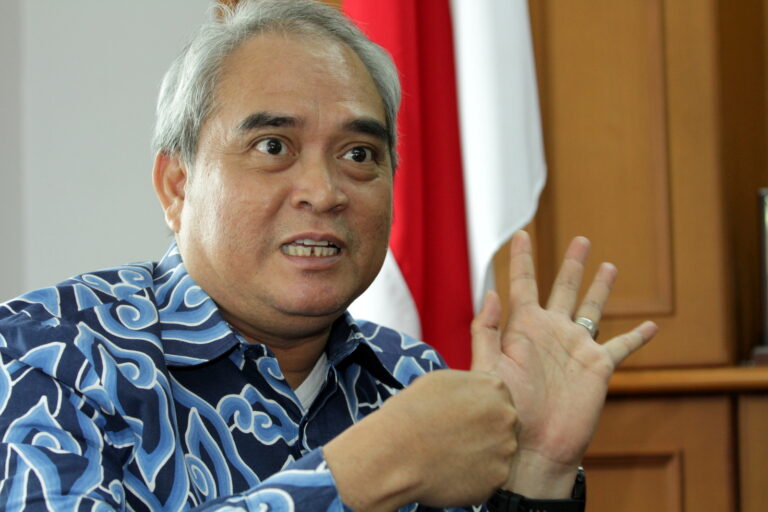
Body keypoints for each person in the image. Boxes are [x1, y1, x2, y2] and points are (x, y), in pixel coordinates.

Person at [0, 1, 657, 511]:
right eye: (273, 147)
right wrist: (374, 467)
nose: (324, 192)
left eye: (359, 154)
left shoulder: (413, 377)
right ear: (177, 185)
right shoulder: (45, 358)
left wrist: (536, 469)